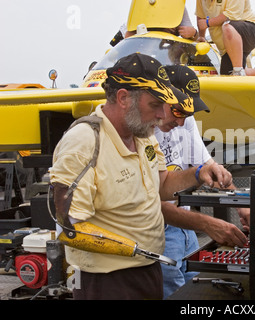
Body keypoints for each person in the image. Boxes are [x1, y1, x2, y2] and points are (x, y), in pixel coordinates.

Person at [49, 53, 233, 300]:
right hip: (108, 280)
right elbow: (70, 227)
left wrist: (199, 174)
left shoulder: (143, 136)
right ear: (124, 97)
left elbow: (162, 186)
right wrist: (133, 249)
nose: (161, 115)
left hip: (147, 269)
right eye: (155, 105)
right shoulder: (83, 142)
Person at [155, 65, 250, 298]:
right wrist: (207, 223)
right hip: (158, 232)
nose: (183, 121)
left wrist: (243, 207)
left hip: (185, 229)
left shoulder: (184, 119)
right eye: (179, 111)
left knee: (195, 295)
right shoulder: (144, 130)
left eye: (189, 112)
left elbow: (208, 169)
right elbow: (151, 200)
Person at [195, 0, 255, 76]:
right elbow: (200, 16)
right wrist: (201, 36)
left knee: (228, 26)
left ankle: (238, 70)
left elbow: (231, 15)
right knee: (227, 75)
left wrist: (208, 23)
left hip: (250, 30)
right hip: (227, 44)